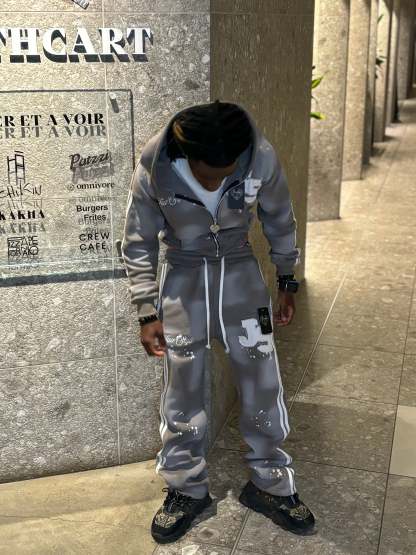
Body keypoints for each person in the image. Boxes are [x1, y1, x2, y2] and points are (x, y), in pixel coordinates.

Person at [121, 99, 315, 544]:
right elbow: (138, 239)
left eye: (226, 173)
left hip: (241, 278)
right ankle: (185, 488)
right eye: (208, 174)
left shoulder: (259, 157)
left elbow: (279, 215)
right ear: (187, 155)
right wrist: (146, 309)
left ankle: (271, 483)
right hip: (182, 281)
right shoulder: (155, 165)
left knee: (263, 379)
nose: (217, 181)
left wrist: (287, 278)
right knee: (182, 387)